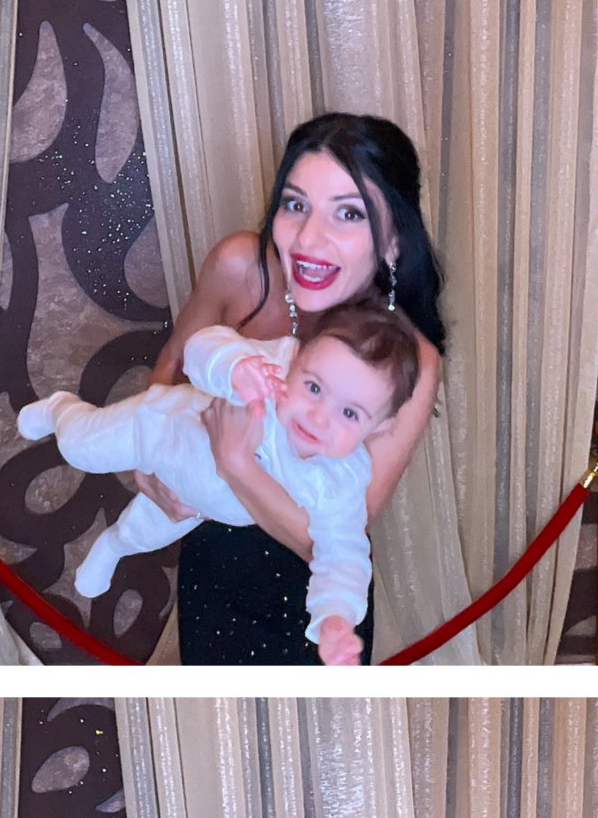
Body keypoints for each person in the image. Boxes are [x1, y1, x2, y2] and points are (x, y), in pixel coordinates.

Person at [132, 112, 445, 664]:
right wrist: (139, 470)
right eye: (296, 204)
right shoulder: (238, 269)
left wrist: (236, 462)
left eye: (348, 214)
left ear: (394, 239)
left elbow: (328, 538)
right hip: (212, 574)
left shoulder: (413, 360)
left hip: (319, 605)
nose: (307, 238)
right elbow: (166, 376)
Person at [19, 302, 420, 667]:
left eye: (349, 413)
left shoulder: (342, 480)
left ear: (380, 427)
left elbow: (344, 556)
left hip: (201, 503)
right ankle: (60, 409)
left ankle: (112, 546)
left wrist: (335, 619)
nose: (318, 416)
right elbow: (201, 347)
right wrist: (234, 368)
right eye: (313, 388)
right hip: (158, 428)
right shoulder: (270, 366)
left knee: (145, 531)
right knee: (80, 447)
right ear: (297, 360)